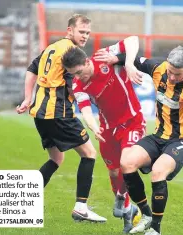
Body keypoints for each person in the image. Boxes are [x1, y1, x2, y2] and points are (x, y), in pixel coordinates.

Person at [16, 14, 110, 222]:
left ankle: (24, 201)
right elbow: (74, 85)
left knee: (56, 159)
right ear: (70, 31)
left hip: (40, 114)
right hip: (59, 114)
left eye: (87, 33)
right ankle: (81, 207)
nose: (85, 36)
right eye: (81, 32)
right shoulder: (72, 53)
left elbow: (32, 68)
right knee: (89, 154)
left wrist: (27, 98)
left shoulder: (53, 47)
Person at [117, 46, 183, 235]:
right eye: (169, 72)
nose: (171, 77)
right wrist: (113, 58)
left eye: (176, 74)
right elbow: (132, 58)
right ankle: (146, 215)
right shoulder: (158, 68)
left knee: (158, 171)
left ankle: (155, 229)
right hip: (159, 136)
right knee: (126, 162)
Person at [61, 36, 146, 233]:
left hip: (132, 121)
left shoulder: (103, 56)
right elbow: (85, 109)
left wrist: (128, 64)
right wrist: (93, 126)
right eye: (74, 74)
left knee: (127, 163)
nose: (79, 77)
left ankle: (122, 200)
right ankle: (127, 209)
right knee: (114, 172)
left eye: (80, 72)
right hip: (107, 129)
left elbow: (133, 40)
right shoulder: (77, 84)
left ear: (87, 61)